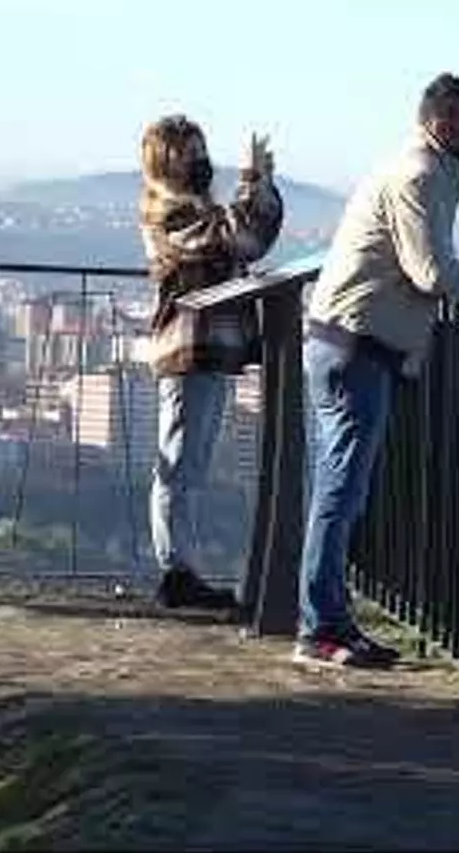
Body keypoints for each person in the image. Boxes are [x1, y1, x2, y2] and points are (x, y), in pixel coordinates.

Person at [296, 73, 459, 668]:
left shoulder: (421, 170)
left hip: (349, 341)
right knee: (340, 491)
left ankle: (328, 620)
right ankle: (321, 627)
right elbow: (430, 272)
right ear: (442, 125)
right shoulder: (420, 175)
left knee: (340, 488)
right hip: (357, 346)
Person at [139, 115, 283, 610]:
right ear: (165, 161)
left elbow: (250, 239)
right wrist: (253, 184)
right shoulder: (169, 214)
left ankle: (183, 569)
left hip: (210, 348)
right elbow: (237, 238)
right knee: (180, 464)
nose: (200, 161)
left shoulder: (196, 209)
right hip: (188, 348)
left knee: (191, 463)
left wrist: (259, 185)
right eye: (188, 153)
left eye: (202, 150)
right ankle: (176, 571)